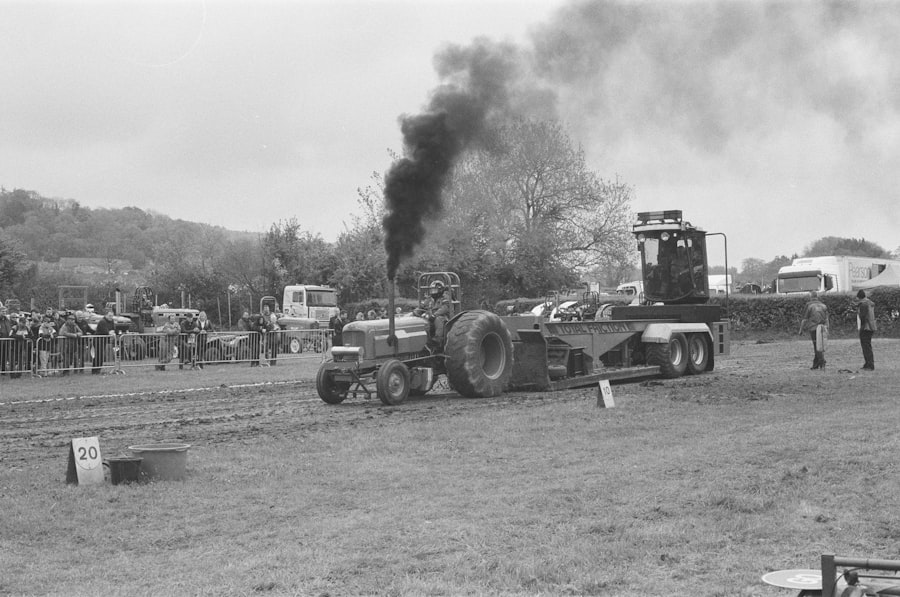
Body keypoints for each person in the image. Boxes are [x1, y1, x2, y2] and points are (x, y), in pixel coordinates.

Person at [799, 291, 829, 370]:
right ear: (817, 297)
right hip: (823, 328)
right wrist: (827, 327)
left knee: (817, 346)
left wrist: (801, 329)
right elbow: (826, 318)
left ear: (811, 297)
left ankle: (822, 361)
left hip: (814, 328)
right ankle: (815, 365)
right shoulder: (824, 306)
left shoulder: (809, 306)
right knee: (820, 345)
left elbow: (805, 319)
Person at [855, 289, 877, 370]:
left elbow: (862, 317)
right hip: (871, 326)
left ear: (859, 297)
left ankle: (869, 365)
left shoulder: (863, 305)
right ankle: (868, 363)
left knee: (866, 347)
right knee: (867, 346)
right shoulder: (869, 303)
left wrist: (861, 328)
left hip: (865, 327)